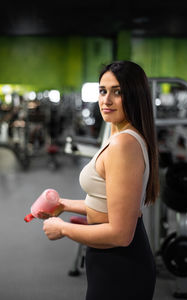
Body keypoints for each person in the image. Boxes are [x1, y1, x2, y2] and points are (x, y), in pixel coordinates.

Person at [42, 60, 160, 300]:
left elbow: (120, 234)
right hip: (110, 258)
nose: (106, 100)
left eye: (118, 92)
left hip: (121, 265)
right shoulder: (120, 135)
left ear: (135, 96)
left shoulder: (123, 144)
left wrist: (63, 228)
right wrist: (63, 205)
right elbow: (107, 204)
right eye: (103, 91)